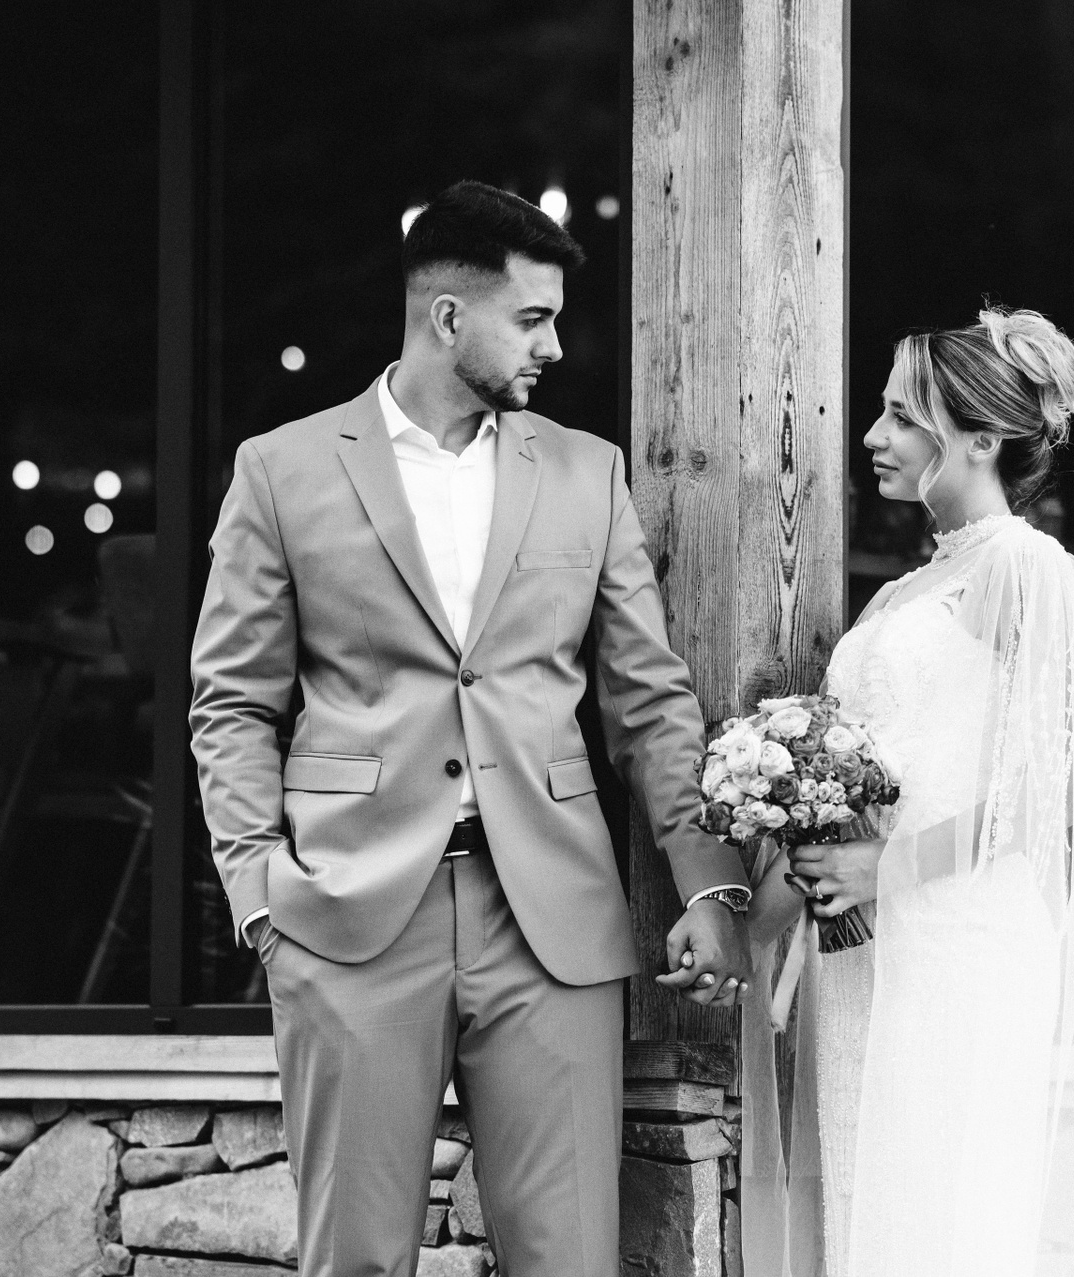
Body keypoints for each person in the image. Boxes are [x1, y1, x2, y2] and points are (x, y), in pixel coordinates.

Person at [188, 179, 753, 1277]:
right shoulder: (282, 468)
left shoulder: (587, 472)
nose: (554, 346)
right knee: (355, 1259)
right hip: (349, 919)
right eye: (532, 319)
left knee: (571, 1260)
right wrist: (260, 893)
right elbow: (234, 701)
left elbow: (648, 696)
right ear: (449, 316)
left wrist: (709, 883)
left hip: (551, 920)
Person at [742, 308, 1074, 1277]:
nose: (873, 435)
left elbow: (1049, 795)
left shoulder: (1027, 570)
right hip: (866, 952)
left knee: (943, 1212)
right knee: (867, 1207)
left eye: (901, 415)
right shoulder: (902, 593)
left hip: (961, 944)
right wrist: (765, 905)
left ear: (981, 438)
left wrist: (882, 864)